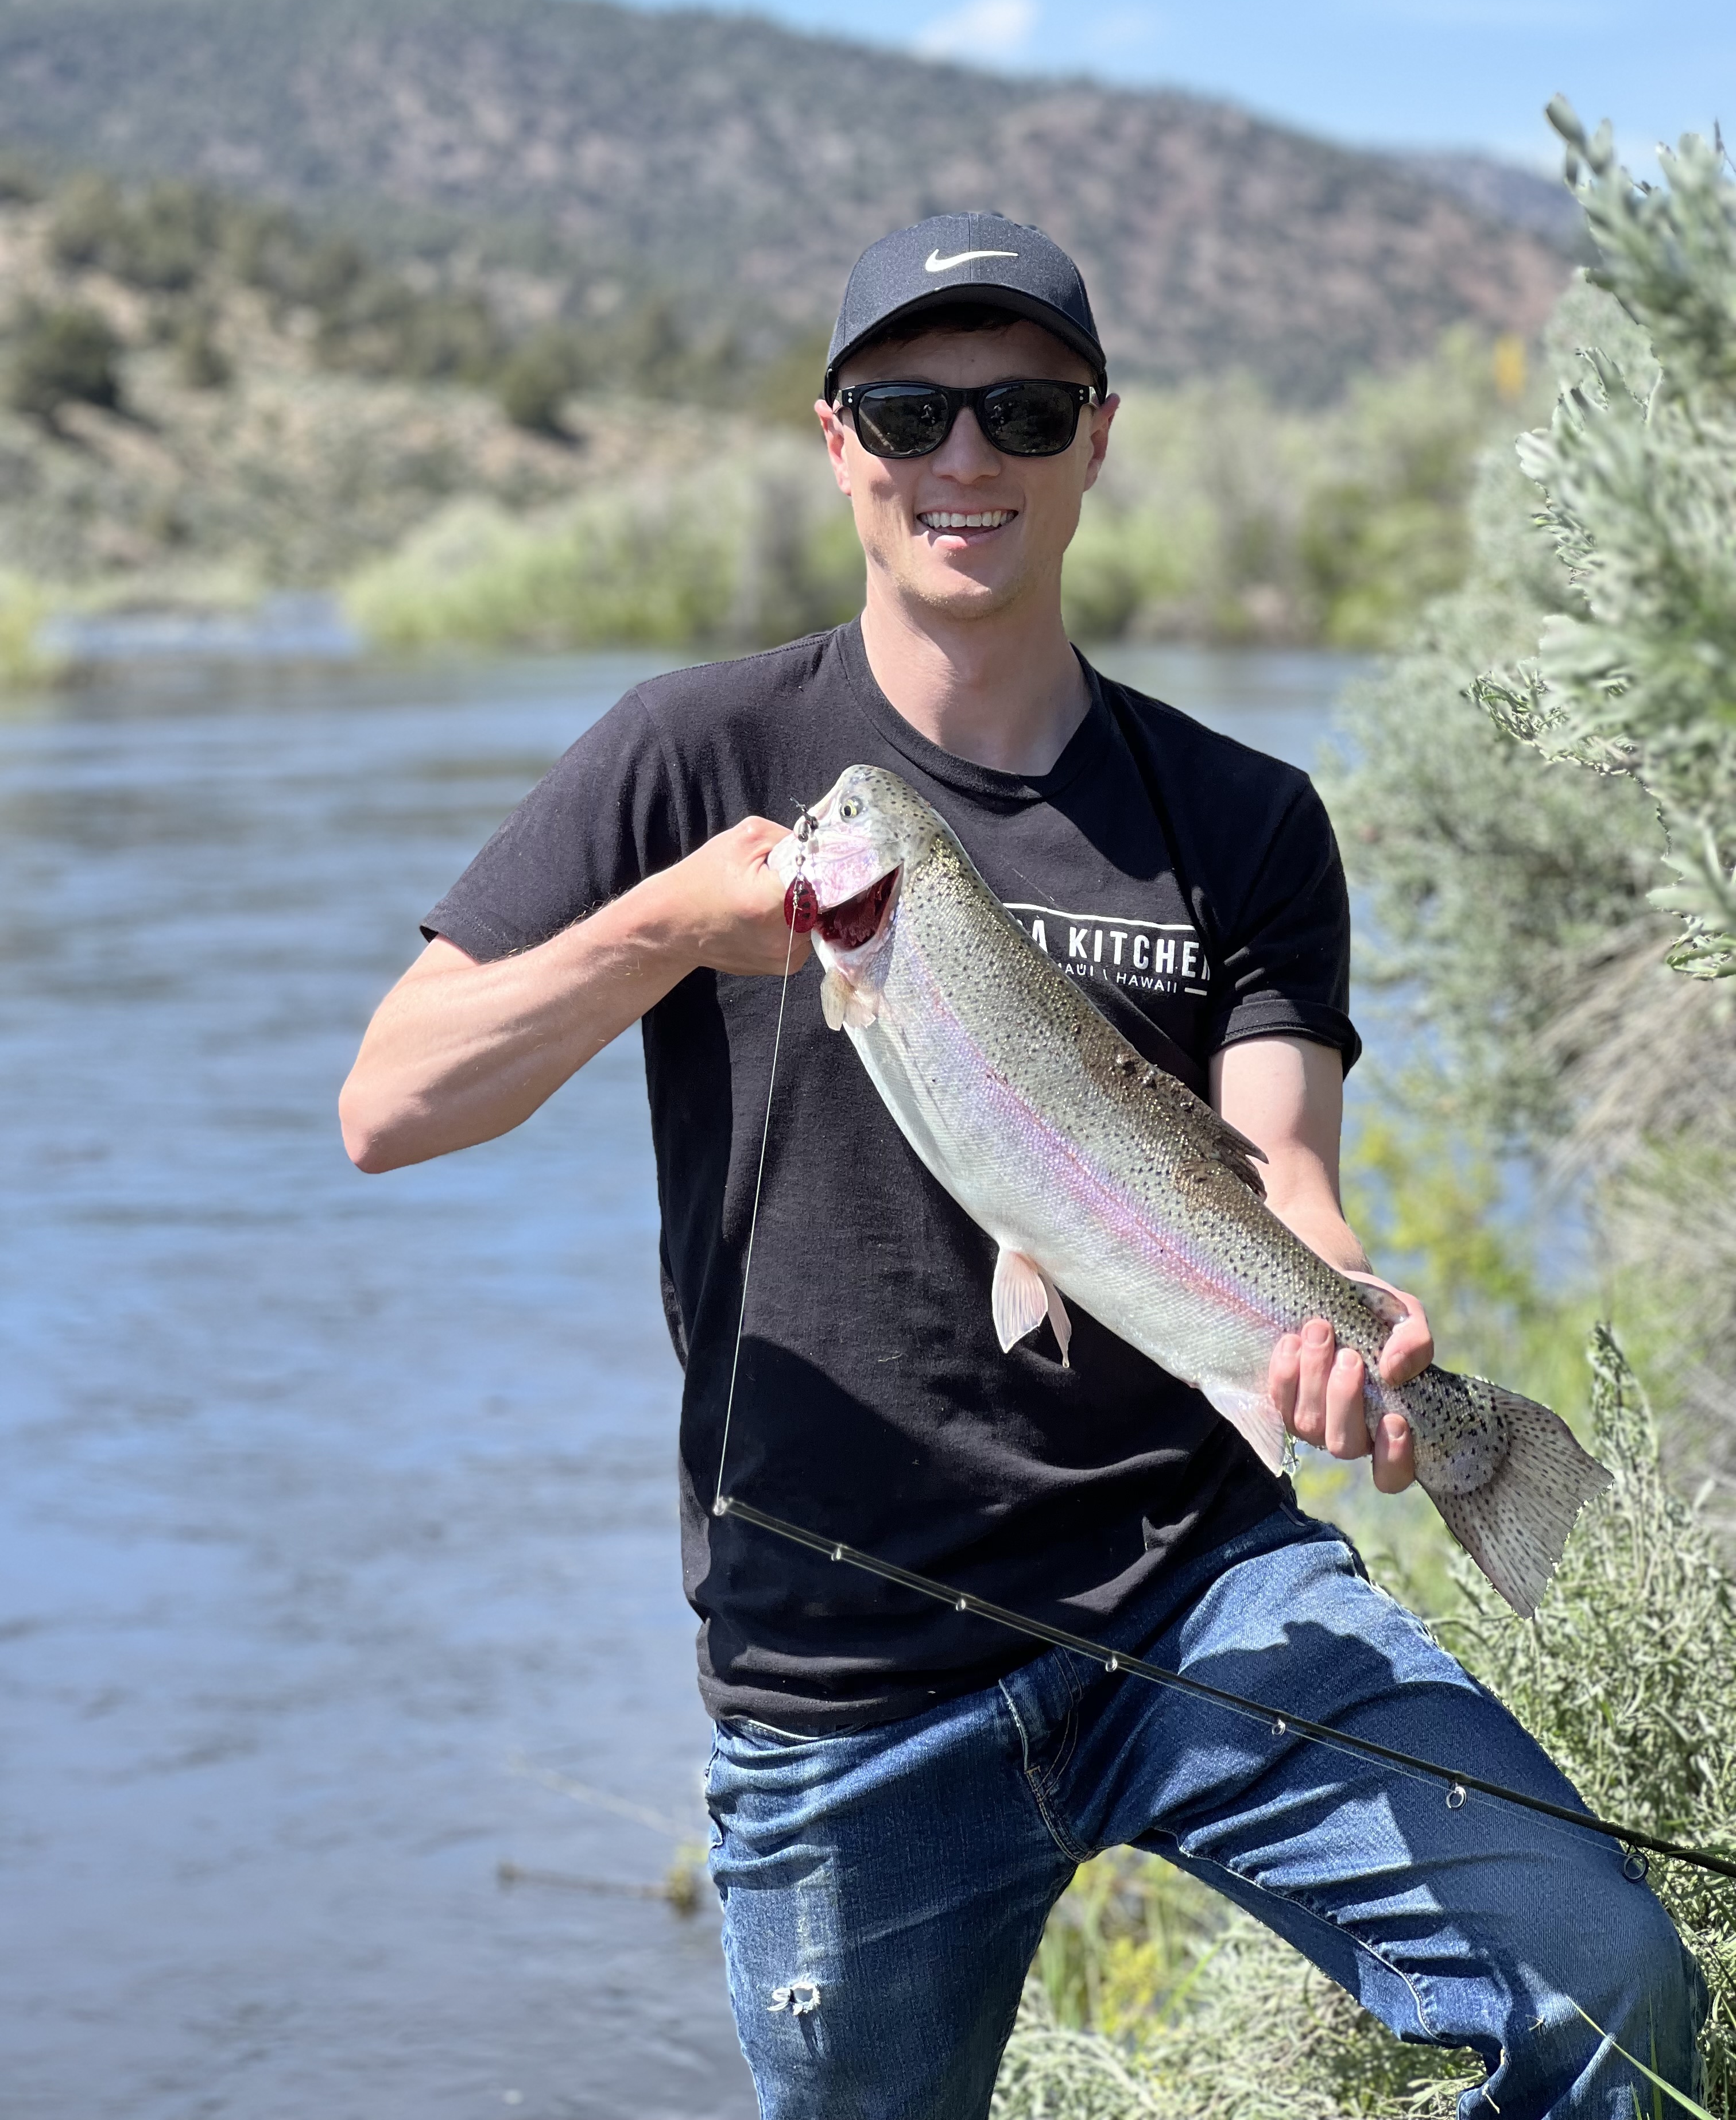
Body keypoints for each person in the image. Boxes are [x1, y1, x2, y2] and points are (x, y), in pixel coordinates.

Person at [340, 216, 1702, 2119]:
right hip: (843, 1670)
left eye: (1022, 411)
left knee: (1613, 1996)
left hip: (1199, 1590)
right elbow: (388, 1106)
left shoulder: (1240, 815)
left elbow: (1283, 1173)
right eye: (911, 411)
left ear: (1098, 439)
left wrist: (1347, 1323)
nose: (964, 461)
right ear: (839, 445)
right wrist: (658, 929)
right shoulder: (690, 753)